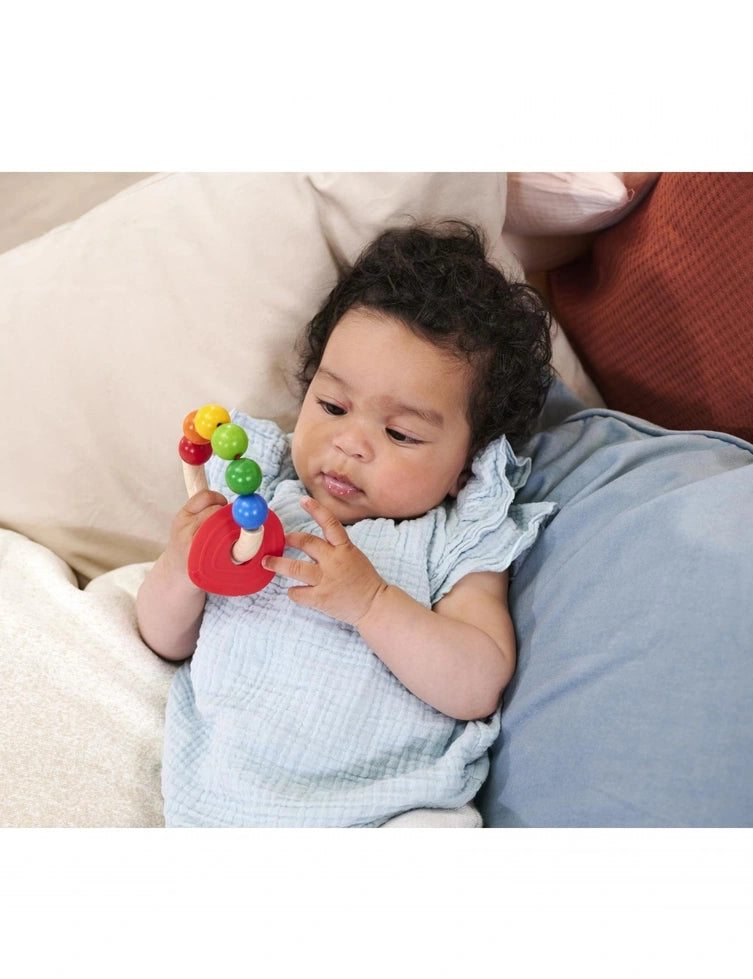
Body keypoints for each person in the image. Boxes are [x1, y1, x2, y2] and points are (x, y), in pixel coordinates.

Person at [137, 221, 557, 827]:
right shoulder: (256, 500)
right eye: (332, 406)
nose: (351, 443)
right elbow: (164, 639)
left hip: (390, 812)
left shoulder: (450, 537)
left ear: (466, 466)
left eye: (401, 433)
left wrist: (374, 603)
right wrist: (183, 567)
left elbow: (477, 683)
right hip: (223, 802)